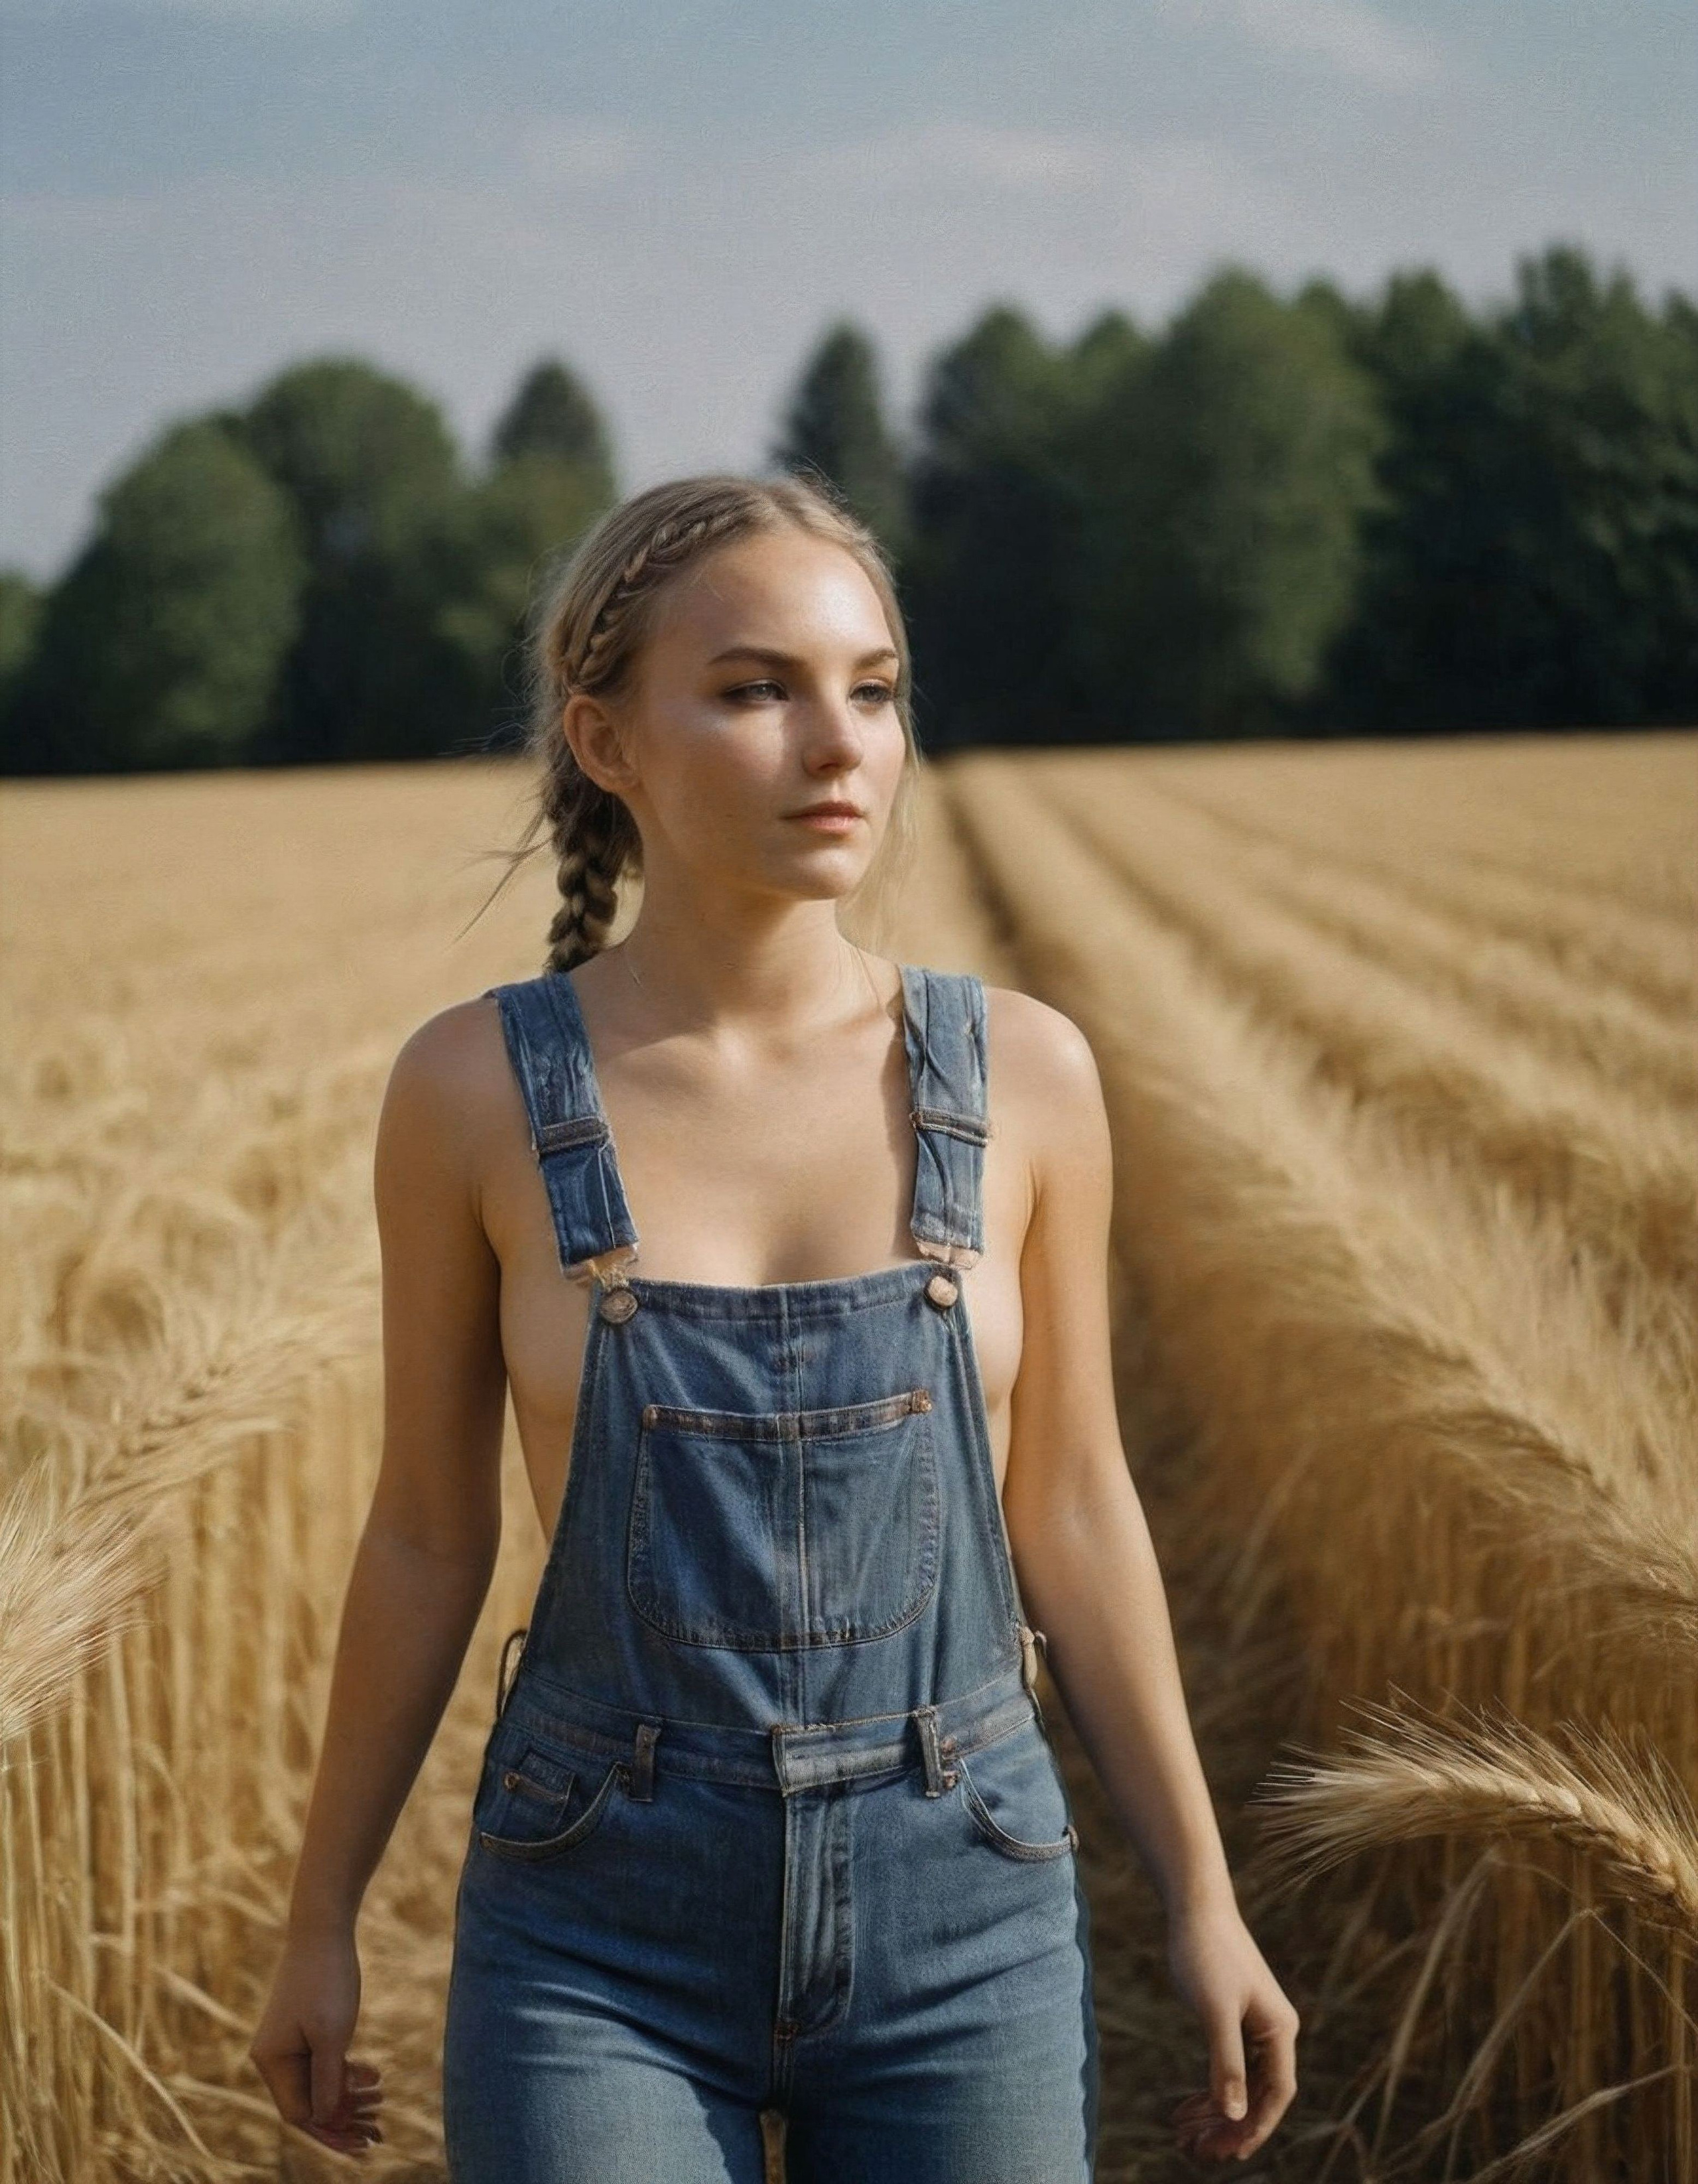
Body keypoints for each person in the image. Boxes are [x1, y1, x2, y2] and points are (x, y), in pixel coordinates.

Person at [248, 472, 1299, 2177]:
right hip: (595, 1923)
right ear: (606, 739)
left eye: (871, 687)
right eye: (756, 688)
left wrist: (1199, 1893)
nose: (839, 743)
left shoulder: (1022, 1072)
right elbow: (427, 1535)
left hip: (965, 1902)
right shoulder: (470, 1090)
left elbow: (1077, 1502)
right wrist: (321, 1918)